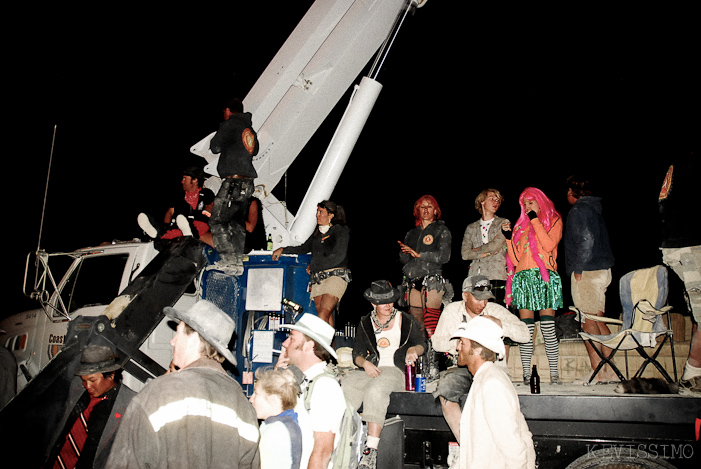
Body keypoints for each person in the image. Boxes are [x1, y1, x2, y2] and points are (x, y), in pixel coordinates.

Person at [105, 300, 261, 468]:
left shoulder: (157, 394)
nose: (172, 341)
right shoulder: (244, 407)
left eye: (178, 333)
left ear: (193, 338)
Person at [431, 275, 530, 441]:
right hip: (462, 368)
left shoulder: (495, 311)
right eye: (478, 299)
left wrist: (500, 324)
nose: (483, 304)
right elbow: (437, 343)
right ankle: (466, 443)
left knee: (495, 401)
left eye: (486, 299)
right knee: (446, 389)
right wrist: (457, 343)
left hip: (492, 369)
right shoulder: (452, 311)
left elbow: (525, 335)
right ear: (465, 295)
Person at [342, 280, 426, 469]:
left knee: (376, 389)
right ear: (373, 304)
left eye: (390, 300)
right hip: (373, 368)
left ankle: (371, 449)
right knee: (348, 383)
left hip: (396, 370)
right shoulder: (365, 322)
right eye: (383, 302)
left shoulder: (405, 319)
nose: (388, 305)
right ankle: (344, 438)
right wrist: (364, 364)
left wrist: (414, 350)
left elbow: (423, 343)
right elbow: (357, 354)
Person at [452, 317, 536, 469]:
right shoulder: (485, 377)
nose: (457, 347)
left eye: (462, 342)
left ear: (477, 349)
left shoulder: (492, 384)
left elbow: (511, 444)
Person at [502, 187, 563, 385]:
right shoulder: (521, 226)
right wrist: (509, 238)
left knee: (547, 327)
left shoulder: (554, 220)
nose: (527, 206)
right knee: (526, 330)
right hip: (523, 278)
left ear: (540, 200)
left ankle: (554, 374)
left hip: (545, 277)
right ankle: (526, 375)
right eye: (524, 203)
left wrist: (535, 219)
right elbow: (517, 258)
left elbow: (548, 245)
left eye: (531, 201)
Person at [45, 344, 136, 468]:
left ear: (110, 375)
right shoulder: (76, 387)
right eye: (84, 380)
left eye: (92, 380)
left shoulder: (129, 403)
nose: (87, 386)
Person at [564, 175, 618, 384]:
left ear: (571, 192)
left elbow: (586, 239)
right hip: (603, 270)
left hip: (588, 271)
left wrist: (578, 267)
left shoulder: (578, 210)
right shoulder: (595, 208)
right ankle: (608, 371)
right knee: (597, 320)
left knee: (587, 322)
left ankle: (599, 371)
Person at [278, 314, 346, 469]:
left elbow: (323, 451)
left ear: (308, 346)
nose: (284, 343)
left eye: (292, 338)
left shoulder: (324, 386)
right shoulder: (303, 381)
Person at [272, 201, 351, 327]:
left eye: (321, 212)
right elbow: (303, 248)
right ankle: (329, 346)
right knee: (325, 316)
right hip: (318, 279)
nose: (317, 215)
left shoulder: (340, 231)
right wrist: (283, 249)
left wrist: (314, 266)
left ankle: (320, 346)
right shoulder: (317, 233)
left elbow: (338, 256)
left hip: (335, 277)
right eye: (317, 212)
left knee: (323, 314)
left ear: (330, 215)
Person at [658, 160, 701, 392]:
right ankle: (692, 375)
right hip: (689, 246)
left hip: (680, 246)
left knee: (699, 312)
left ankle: (693, 373)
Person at [208, 98, 260, 275]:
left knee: (218, 220)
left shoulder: (230, 124)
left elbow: (215, 146)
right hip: (247, 183)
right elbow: (256, 149)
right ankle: (237, 263)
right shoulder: (249, 129)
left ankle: (229, 260)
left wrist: (225, 132)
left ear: (228, 110)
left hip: (233, 182)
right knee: (237, 224)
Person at [398, 194, 452, 338]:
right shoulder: (411, 233)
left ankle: (435, 359)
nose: (426, 209)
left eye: (429, 206)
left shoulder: (442, 230)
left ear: (435, 210)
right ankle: (421, 359)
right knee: (416, 325)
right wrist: (404, 252)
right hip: (412, 281)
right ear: (418, 211)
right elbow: (404, 260)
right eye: (422, 207)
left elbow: (445, 257)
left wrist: (420, 255)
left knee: (430, 325)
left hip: (432, 281)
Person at [138, 166, 215, 246]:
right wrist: (166, 226)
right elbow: (170, 212)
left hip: (199, 224)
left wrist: (204, 217)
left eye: (185, 179)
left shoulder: (206, 193)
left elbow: (209, 208)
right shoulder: (179, 196)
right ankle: (159, 233)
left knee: (190, 226)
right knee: (175, 229)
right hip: (180, 225)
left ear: (195, 180)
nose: (182, 181)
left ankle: (189, 233)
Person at [249, 367, 303, 469]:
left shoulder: (276, 431)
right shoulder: (284, 423)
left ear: (273, 400)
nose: (251, 399)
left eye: (256, 394)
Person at [461, 189, 509, 303]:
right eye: (492, 198)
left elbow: (495, 246)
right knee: (477, 313)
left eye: (497, 200)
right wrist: (484, 253)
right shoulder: (471, 228)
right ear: (482, 201)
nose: (495, 202)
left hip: (496, 274)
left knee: (496, 313)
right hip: (475, 275)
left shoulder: (503, 223)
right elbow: (465, 254)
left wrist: (475, 251)